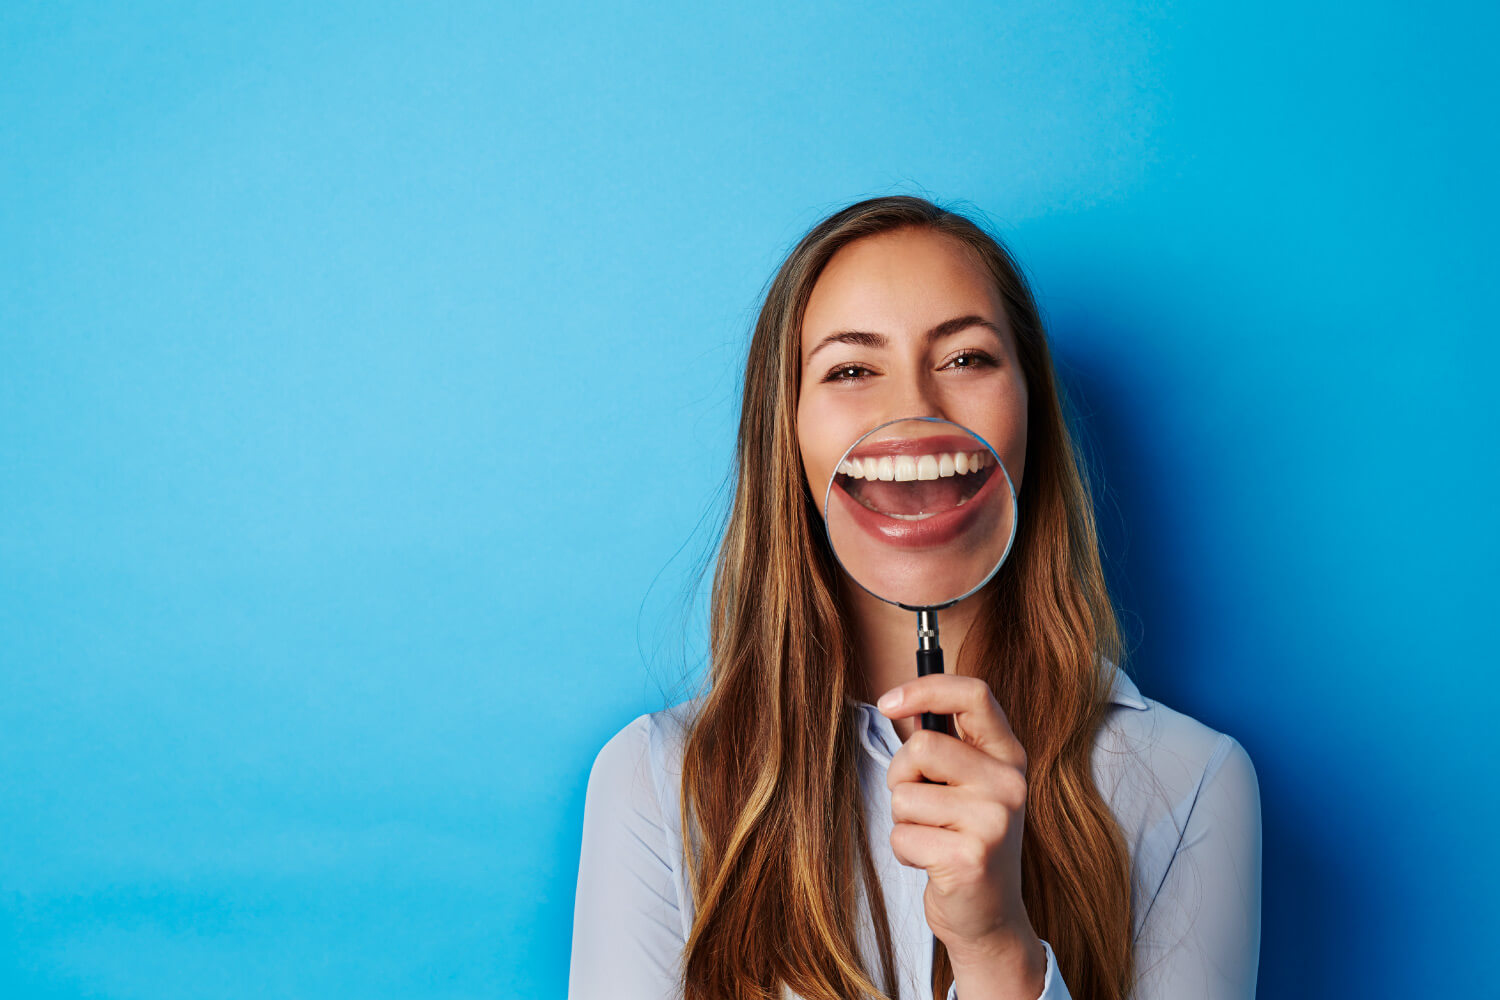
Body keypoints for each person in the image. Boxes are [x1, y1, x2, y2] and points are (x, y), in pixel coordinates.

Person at [568, 196, 1261, 1000]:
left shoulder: (1192, 781)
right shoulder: (657, 782)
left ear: (1030, 410)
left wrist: (998, 947)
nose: (915, 413)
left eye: (966, 359)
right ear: (786, 432)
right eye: (852, 369)